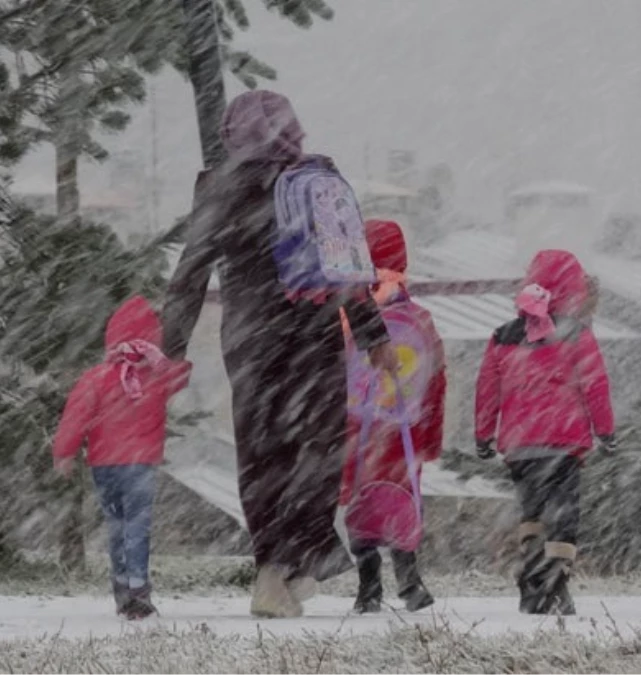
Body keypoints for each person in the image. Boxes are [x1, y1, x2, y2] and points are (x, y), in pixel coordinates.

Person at [162, 90, 398, 618]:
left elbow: (190, 273)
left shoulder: (220, 186)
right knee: (315, 450)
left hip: (250, 339)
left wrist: (171, 349)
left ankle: (272, 569)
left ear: (232, 133)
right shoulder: (316, 178)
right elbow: (346, 266)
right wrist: (372, 334)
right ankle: (301, 562)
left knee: (261, 451)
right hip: (312, 334)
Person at [474, 250, 615, 615]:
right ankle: (557, 581)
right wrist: (606, 430)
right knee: (563, 513)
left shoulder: (503, 336)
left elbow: (488, 390)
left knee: (531, 511)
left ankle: (533, 575)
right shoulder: (577, 335)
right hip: (564, 445)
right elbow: (595, 386)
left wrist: (483, 433)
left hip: (521, 446)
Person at [53, 295, 192, 620]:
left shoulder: (96, 377)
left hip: (104, 464)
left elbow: (76, 416)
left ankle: (121, 591)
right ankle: (138, 590)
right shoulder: (157, 376)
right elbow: (183, 375)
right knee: (137, 527)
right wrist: (165, 354)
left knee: (117, 527)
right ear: (152, 338)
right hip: (139, 463)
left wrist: (65, 453)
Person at [338, 219, 445, 614]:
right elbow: (436, 381)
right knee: (403, 502)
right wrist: (431, 437)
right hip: (406, 434)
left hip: (357, 430)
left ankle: (368, 588)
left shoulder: (348, 317)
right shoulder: (419, 319)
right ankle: (409, 581)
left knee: (362, 503)